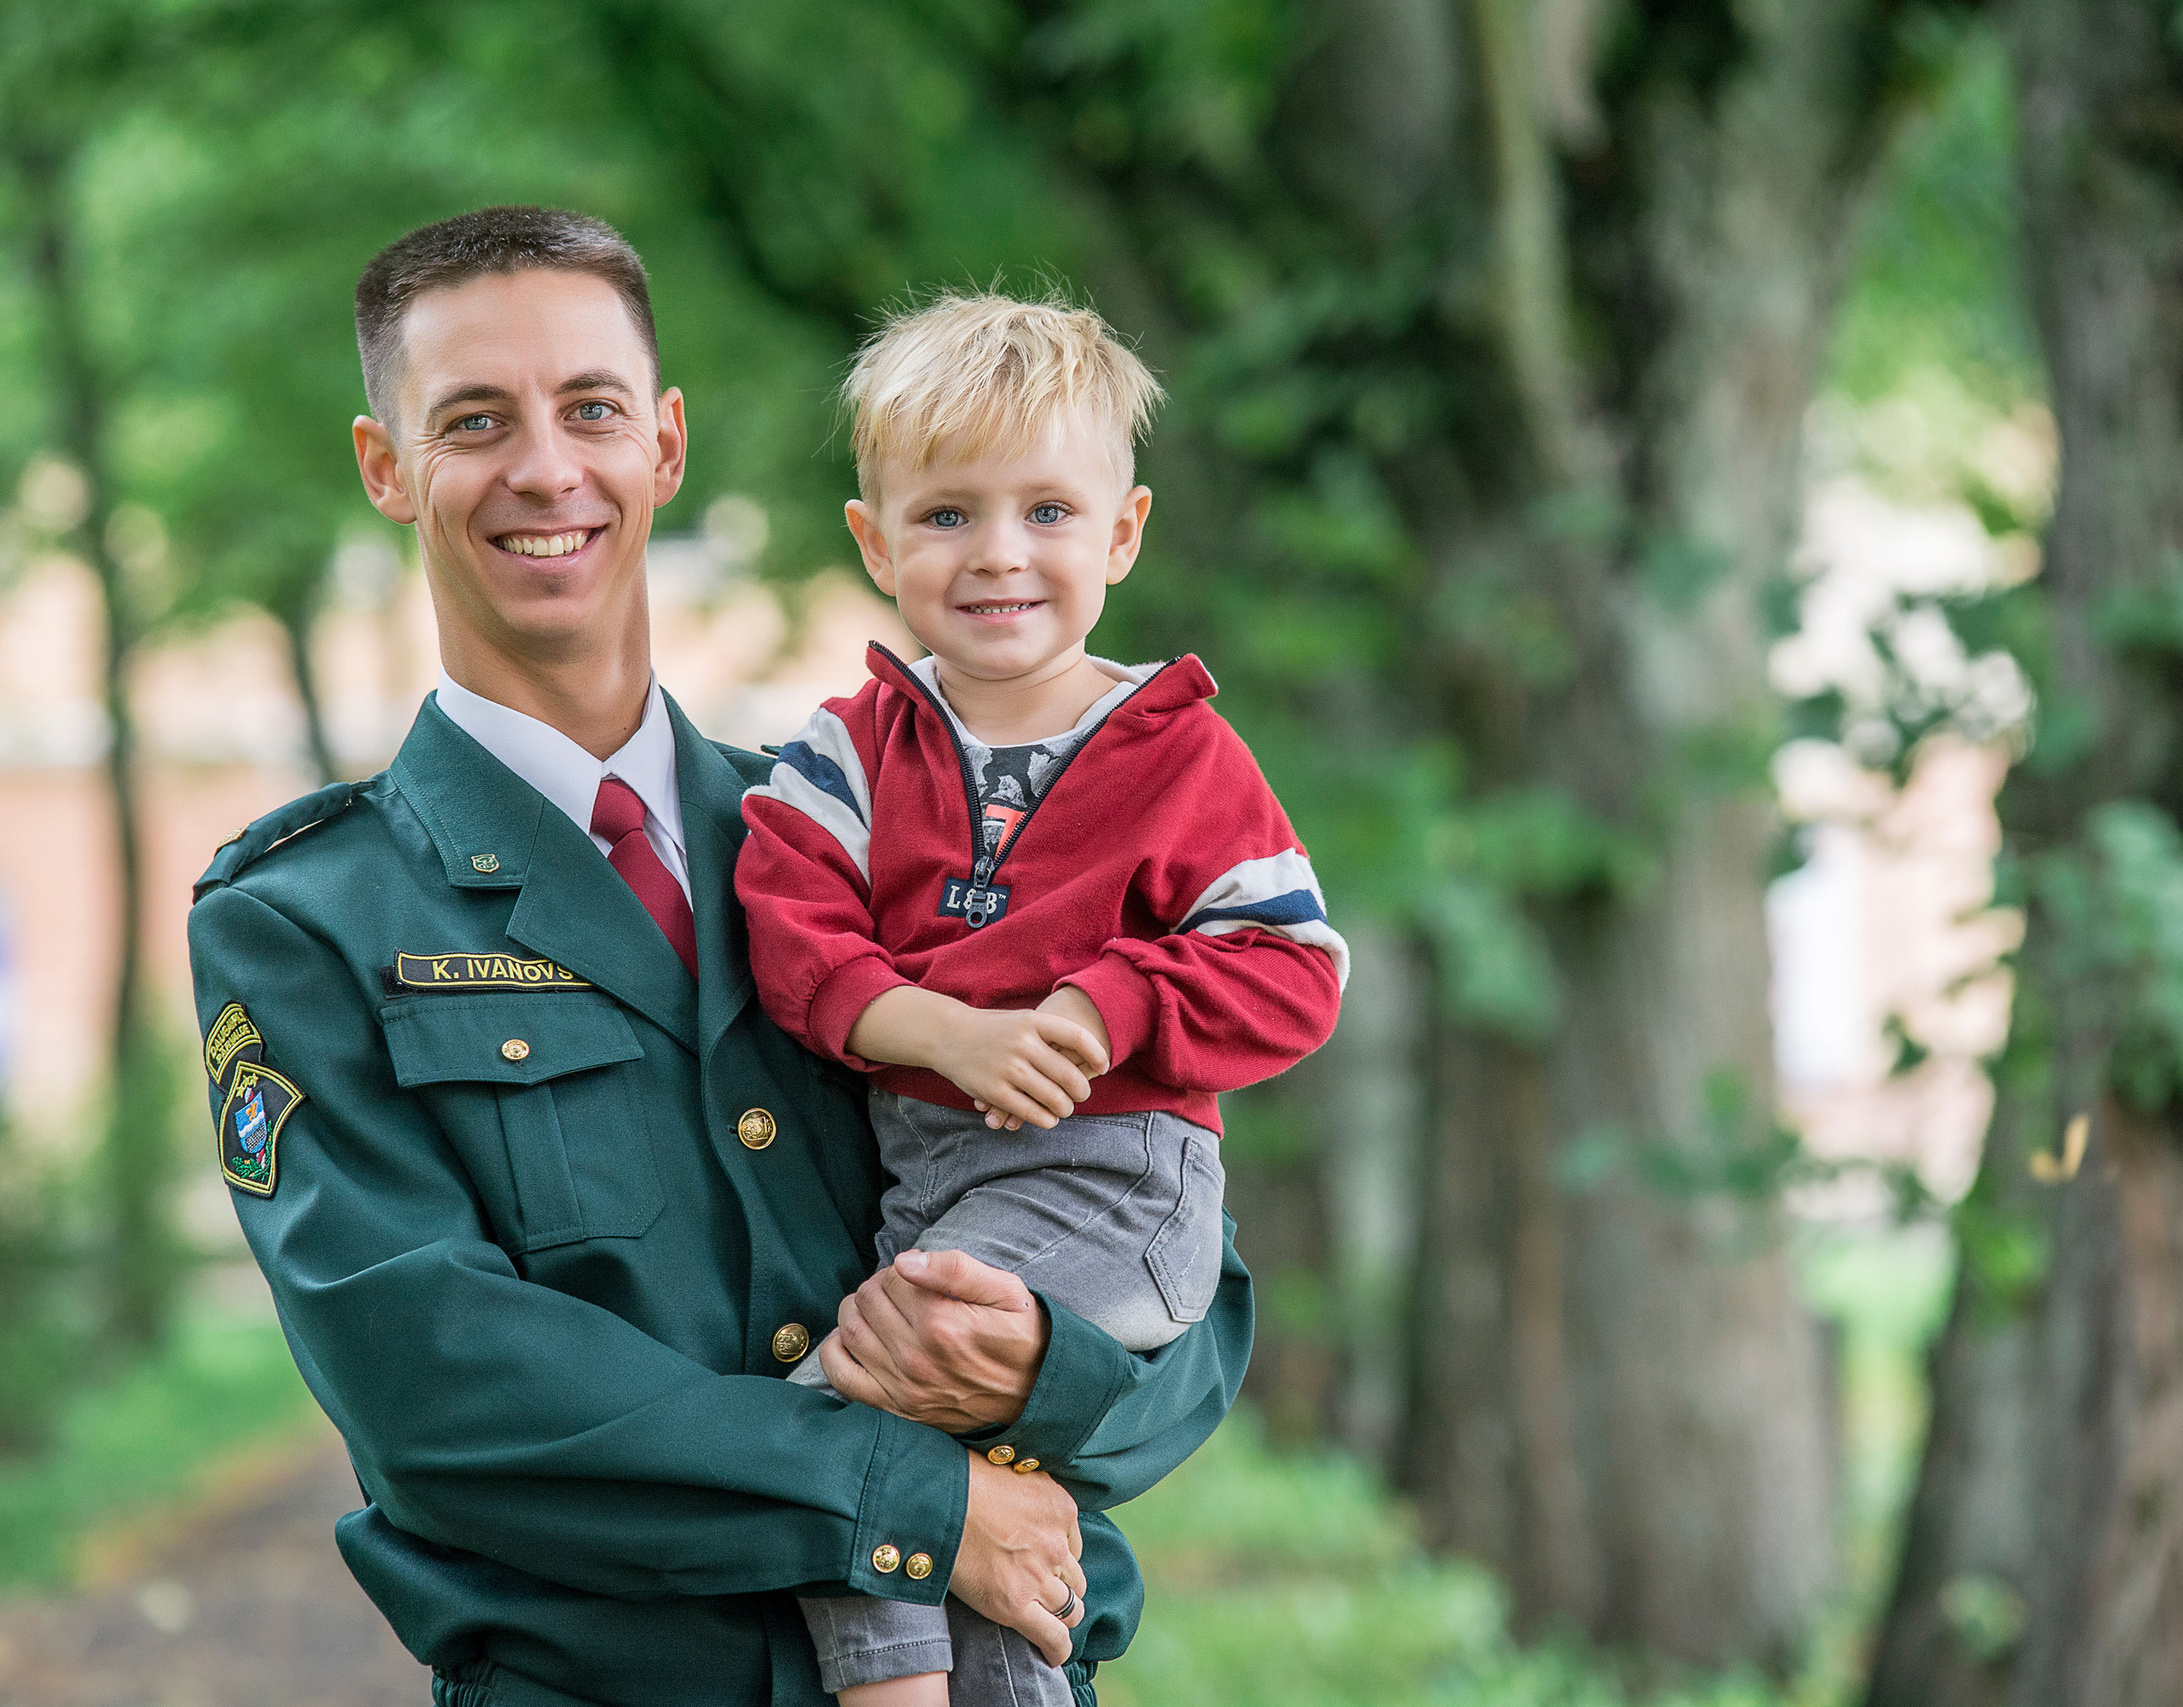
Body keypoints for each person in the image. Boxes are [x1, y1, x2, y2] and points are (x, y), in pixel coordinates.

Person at [185, 209, 1252, 1707]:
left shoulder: (881, 842)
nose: (547, 470)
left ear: (665, 446)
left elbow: (1184, 1275)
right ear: (385, 465)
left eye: (593, 410)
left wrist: (1034, 1371)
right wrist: (924, 1505)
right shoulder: (306, 921)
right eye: (474, 422)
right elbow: (440, 1389)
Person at [736, 293, 1348, 1707]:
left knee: (847, 1418)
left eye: (1049, 513)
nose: (1000, 554)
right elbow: (798, 944)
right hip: (932, 1188)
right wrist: (947, 1033)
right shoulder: (846, 756)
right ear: (875, 540)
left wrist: (1112, 1004)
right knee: (979, 1513)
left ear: (1122, 534)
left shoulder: (1182, 754)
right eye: (947, 516)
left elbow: (1299, 971)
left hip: (1111, 1181)